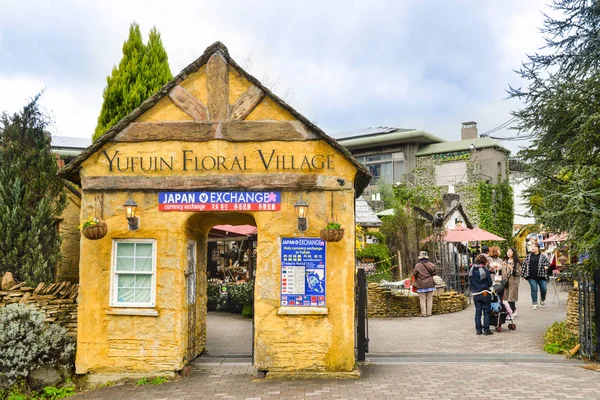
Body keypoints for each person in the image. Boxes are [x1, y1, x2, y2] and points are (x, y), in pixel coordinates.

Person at [522, 241, 551, 310]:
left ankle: (542, 299)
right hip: (531, 276)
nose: (533, 248)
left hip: (542, 276)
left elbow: (548, 263)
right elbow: (524, 265)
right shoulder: (528, 256)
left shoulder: (543, 256)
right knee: (534, 289)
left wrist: (546, 266)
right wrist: (523, 274)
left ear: (538, 248)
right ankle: (535, 303)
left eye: (534, 247)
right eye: (532, 247)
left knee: (544, 289)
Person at [469, 254, 493, 335]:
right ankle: (486, 330)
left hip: (476, 293)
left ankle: (478, 329)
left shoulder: (471, 270)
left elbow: (470, 283)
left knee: (478, 312)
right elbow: (490, 283)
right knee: (486, 312)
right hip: (485, 293)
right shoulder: (485, 270)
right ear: (484, 261)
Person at [412, 251, 436, 317]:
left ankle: (423, 313)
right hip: (430, 284)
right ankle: (429, 313)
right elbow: (434, 273)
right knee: (429, 299)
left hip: (421, 285)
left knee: (422, 299)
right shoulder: (432, 265)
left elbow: (414, 274)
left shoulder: (417, 266)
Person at [501, 248, 521, 316]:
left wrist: (512, 269)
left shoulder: (516, 263)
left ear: (513, 253)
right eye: (508, 251)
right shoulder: (504, 262)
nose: (508, 253)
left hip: (513, 282)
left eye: (510, 251)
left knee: (511, 297)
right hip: (505, 282)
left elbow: (519, 272)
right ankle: (513, 310)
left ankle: (511, 312)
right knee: (506, 297)